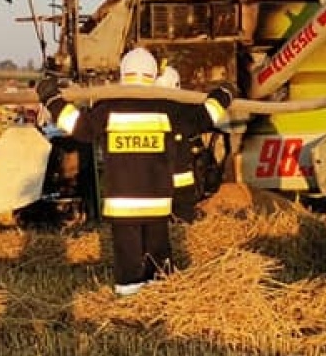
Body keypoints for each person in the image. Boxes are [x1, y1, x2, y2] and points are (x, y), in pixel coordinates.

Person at [38, 48, 232, 297]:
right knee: (158, 252)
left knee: (127, 256)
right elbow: (204, 116)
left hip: (123, 203)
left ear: (123, 74)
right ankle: (161, 295)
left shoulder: (109, 107)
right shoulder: (168, 108)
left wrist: (51, 98)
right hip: (157, 202)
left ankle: (129, 299)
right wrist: (225, 93)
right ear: (153, 76)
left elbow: (79, 127)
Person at [156, 64, 203, 221]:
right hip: (181, 189)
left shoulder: (145, 109)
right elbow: (203, 119)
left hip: (152, 186)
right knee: (183, 219)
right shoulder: (182, 110)